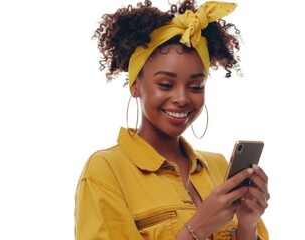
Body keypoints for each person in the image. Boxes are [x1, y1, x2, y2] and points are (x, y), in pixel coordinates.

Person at [74, 0, 270, 239]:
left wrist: (248, 225)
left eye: (196, 87)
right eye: (165, 84)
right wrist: (197, 228)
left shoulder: (220, 168)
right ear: (135, 85)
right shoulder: (106, 170)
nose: (181, 98)